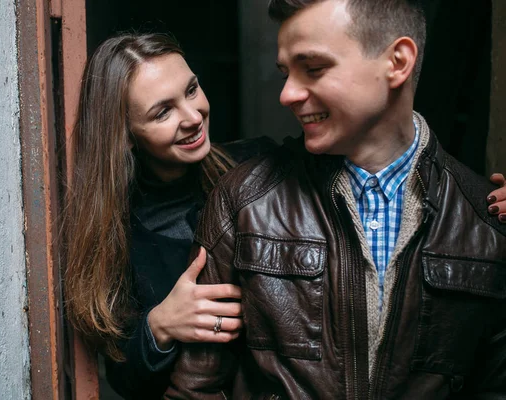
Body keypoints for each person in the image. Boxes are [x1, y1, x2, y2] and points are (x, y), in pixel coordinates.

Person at [164, 0, 506, 398]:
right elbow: (195, 390)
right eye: (285, 73)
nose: (287, 94)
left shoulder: (488, 218)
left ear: (397, 61)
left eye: (313, 69)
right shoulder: (243, 202)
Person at [62, 33, 277, 399]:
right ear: (127, 134)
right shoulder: (118, 231)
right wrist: (159, 326)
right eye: (163, 112)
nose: (193, 117)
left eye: (191, 90)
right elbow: (122, 378)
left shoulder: (260, 167)